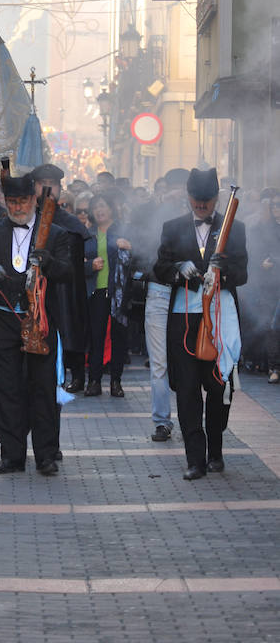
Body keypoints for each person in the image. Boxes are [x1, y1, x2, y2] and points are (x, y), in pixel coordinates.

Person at [0, 172, 72, 476]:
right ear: (5, 202)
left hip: (40, 320)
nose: (17, 207)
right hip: (2, 321)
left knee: (42, 389)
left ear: (33, 200)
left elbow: (67, 272)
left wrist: (49, 262)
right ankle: (11, 456)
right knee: (7, 389)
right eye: (12, 201)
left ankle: (46, 456)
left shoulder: (54, 233)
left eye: (23, 201)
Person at [153, 168, 247, 480]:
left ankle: (216, 449)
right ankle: (195, 458)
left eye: (207, 201)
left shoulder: (236, 227)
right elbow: (159, 267)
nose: (201, 205)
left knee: (220, 386)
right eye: (197, 200)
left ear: (217, 198)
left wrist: (226, 270)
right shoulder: (172, 227)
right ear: (188, 197)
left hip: (221, 316)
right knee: (188, 389)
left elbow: (243, 274)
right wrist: (178, 268)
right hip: (184, 318)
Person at [130, 168, 190, 441]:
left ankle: (189, 418)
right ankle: (162, 421)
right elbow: (138, 244)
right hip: (157, 290)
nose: (177, 193)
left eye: (182, 187)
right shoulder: (147, 212)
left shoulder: (197, 218)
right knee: (159, 363)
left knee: (188, 359)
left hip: (188, 293)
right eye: (173, 187)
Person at [31, 164, 90, 395]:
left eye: (52, 184)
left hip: (66, 287)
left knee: (70, 324)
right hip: (34, 285)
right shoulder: (27, 217)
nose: (47, 188)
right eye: (42, 184)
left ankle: (76, 373)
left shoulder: (70, 224)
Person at [84, 193, 133, 397]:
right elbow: (78, 262)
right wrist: (89, 266)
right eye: (96, 207)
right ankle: (94, 381)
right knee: (95, 337)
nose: (99, 210)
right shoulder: (87, 233)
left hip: (119, 293)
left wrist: (129, 247)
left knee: (118, 338)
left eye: (103, 205)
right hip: (96, 292)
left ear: (111, 208)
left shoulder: (123, 229)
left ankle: (116, 381)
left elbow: (138, 258)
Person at [245, 191, 280, 383]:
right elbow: (254, 253)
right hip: (269, 284)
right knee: (271, 326)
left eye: (279, 205)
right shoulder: (264, 229)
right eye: (273, 205)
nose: (276, 209)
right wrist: (261, 263)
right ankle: (274, 367)